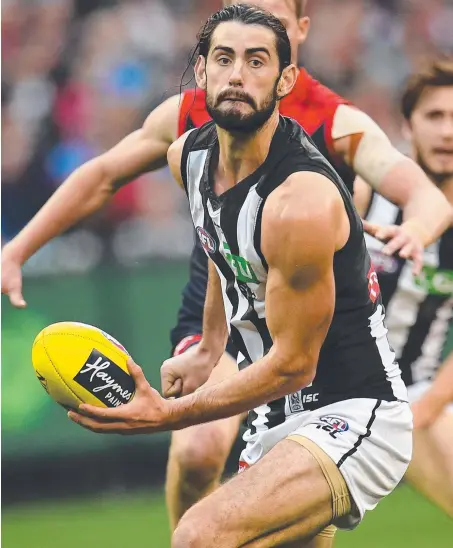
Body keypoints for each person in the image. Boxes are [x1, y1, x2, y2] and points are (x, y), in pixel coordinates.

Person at [1, 0, 451, 531]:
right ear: (201, 67)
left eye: (258, 57)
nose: (238, 73)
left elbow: (294, 363)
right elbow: (213, 237)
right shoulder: (188, 151)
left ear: (289, 65)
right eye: (225, 57)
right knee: (197, 466)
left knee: (201, 533)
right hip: (271, 378)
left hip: (341, 393)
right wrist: (211, 343)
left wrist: (415, 231)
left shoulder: (323, 156)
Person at [355, 58, 453, 517]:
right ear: (406, 126)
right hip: (340, 386)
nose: (448, 132)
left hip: (417, 393)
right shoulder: (367, 191)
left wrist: (425, 411)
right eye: (434, 116)